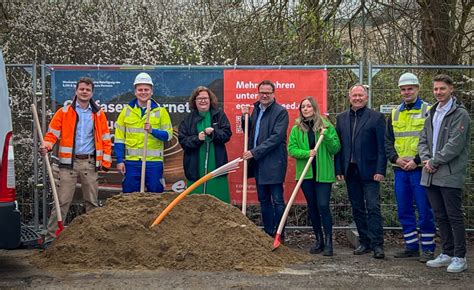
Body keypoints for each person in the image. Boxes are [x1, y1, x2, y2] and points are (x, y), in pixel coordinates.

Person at [39, 77, 112, 247]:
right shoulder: (64, 112)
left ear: (92, 92)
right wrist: (47, 146)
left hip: (89, 164)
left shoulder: (98, 114)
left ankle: (95, 239)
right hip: (67, 165)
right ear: (76, 91)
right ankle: (50, 239)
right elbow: (52, 135)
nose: (84, 92)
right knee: (62, 202)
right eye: (81, 89)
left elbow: (106, 140)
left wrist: (105, 164)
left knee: (92, 203)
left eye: (87, 89)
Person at [418, 74, 471, 273]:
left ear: (451, 89)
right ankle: (447, 252)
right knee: (440, 215)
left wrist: (434, 161)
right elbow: (423, 139)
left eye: (442, 89)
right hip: (430, 172)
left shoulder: (460, 114)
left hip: (449, 172)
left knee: (454, 215)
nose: (438, 92)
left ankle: (460, 256)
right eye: (436, 89)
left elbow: (455, 144)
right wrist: (426, 160)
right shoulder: (432, 112)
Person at [385, 72, 436, 262]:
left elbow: (432, 140)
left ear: (417, 89)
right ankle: (411, 246)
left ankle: (428, 248)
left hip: (420, 168)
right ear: (400, 91)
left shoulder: (429, 110)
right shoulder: (394, 113)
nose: (406, 92)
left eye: (410, 88)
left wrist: (416, 160)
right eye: (403, 89)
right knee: (404, 209)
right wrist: (396, 159)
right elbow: (387, 141)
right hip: (400, 169)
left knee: (424, 209)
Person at [334, 84, 386, 259]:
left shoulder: (377, 118)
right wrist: (339, 168)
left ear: (366, 97)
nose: (357, 98)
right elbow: (339, 147)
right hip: (350, 170)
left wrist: (380, 169)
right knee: (357, 208)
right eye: (354, 95)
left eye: (360, 95)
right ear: (349, 97)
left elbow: (382, 147)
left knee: (373, 207)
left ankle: (378, 244)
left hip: (371, 171)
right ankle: (365, 242)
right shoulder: (341, 118)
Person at [288, 97, 340, 256]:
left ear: (314, 108)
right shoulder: (297, 128)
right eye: (303, 106)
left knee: (323, 206)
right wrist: (307, 153)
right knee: (313, 207)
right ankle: (319, 241)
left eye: (308, 106)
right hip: (306, 175)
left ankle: (329, 242)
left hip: (323, 174)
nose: (305, 109)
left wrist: (328, 136)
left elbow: (336, 148)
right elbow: (291, 149)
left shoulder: (326, 125)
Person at [241, 80, 289, 240]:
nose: (264, 95)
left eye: (268, 92)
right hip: (259, 163)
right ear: (258, 92)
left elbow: (276, 138)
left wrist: (254, 152)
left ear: (273, 94)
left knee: (277, 199)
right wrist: (244, 118)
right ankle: (269, 231)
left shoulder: (281, 112)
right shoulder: (255, 110)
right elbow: (250, 131)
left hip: (274, 163)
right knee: (263, 199)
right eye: (262, 92)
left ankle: (279, 233)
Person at [114, 72, 173, 193]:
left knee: (155, 195)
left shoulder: (161, 112)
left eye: (146, 89)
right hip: (132, 162)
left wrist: (152, 131)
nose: (143, 92)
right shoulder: (126, 111)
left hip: (154, 163)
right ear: (135, 92)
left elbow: (168, 136)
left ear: (151, 91)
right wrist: (120, 161)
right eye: (140, 89)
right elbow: (119, 139)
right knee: (129, 197)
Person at [178, 86, 232, 203]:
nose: (203, 101)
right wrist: (197, 138)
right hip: (195, 167)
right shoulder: (187, 120)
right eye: (199, 98)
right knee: (195, 202)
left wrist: (214, 132)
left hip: (217, 165)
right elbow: (183, 141)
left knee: (219, 200)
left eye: (205, 98)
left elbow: (227, 134)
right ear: (194, 101)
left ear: (210, 100)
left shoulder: (219, 115)